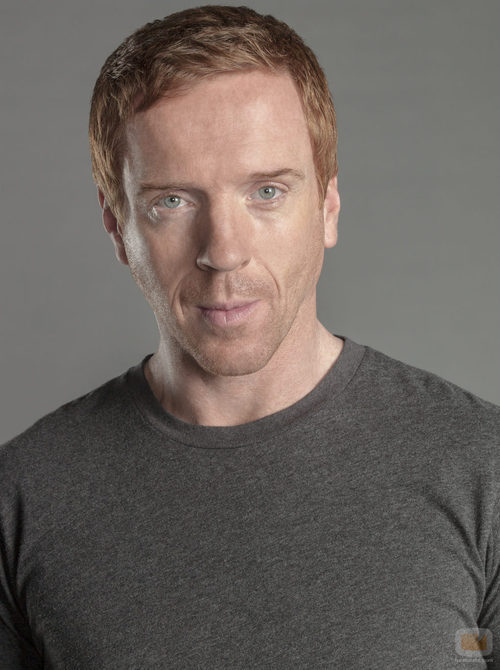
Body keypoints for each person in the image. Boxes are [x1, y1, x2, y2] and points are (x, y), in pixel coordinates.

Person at [1, 5, 499, 668]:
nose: (224, 252)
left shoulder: (483, 469)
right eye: (172, 201)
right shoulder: (23, 500)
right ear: (117, 226)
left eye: (266, 191)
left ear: (328, 207)